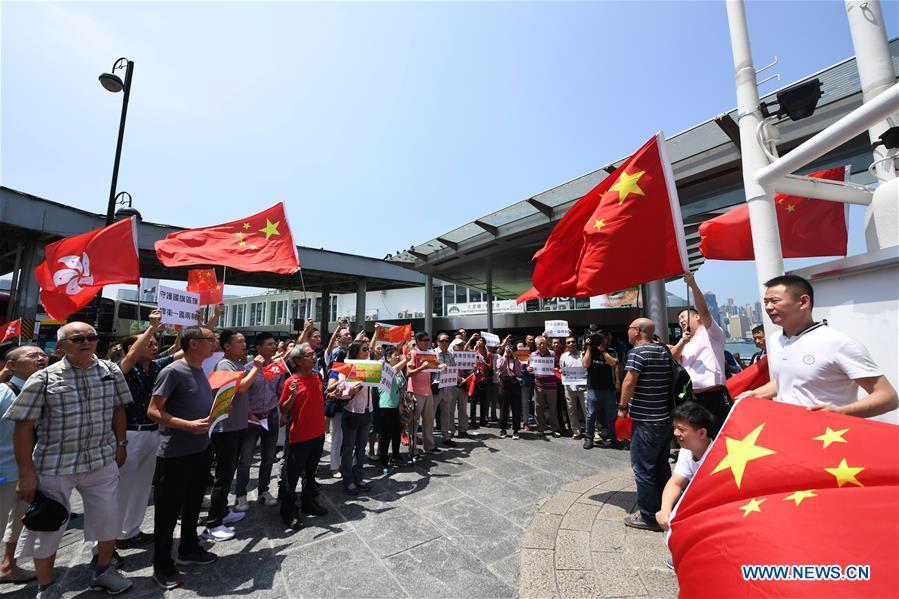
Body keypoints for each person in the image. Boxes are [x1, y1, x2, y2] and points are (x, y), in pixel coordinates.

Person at [5, 323, 132, 597]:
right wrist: (27, 473)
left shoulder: (111, 372)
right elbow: (23, 427)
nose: (86, 342)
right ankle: (47, 587)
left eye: (91, 337)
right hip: (55, 465)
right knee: (47, 527)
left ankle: (103, 571)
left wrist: (121, 444)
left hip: (101, 459)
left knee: (108, 519)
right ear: (61, 346)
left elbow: (119, 409)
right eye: (78, 338)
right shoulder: (44, 378)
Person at [738, 275, 898, 418]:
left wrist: (840, 412)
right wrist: (755, 394)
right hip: (787, 433)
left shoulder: (837, 343)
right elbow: (788, 380)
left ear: (803, 302)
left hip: (828, 437)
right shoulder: (775, 340)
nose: (768, 307)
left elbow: (888, 397)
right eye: (766, 302)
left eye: (774, 301)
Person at [147, 326, 218, 589]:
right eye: (209, 339)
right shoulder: (172, 371)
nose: (214, 343)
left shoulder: (200, 370)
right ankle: (162, 564)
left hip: (200, 448)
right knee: (167, 511)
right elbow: (153, 411)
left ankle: (189, 547)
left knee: (193, 502)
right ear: (193, 344)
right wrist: (185, 425)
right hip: (175, 452)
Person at [114, 309, 178, 551]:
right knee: (123, 486)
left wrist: (196, 325)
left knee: (142, 486)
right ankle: (112, 536)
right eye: (148, 343)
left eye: (154, 343)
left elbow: (181, 351)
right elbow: (130, 356)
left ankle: (132, 530)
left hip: (153, 432)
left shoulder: (156, 366)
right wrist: (151, 327)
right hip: (130, 434)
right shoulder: (125, 369)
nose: (153, 346)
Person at [203, 330, 264, 541]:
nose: (244, 345)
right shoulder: (224, 365)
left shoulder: (237, 364)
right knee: (223, 476)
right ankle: (213, 523)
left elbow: (239, 399)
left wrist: (249, 414)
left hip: (237, 425)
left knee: (229, 473)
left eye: (245, 341)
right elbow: (241, 388)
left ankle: (223, 512)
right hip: (225, 429)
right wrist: (256, 368)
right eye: (240, 342)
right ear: (227, 346)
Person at [619, 318, 671, 532]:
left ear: (637, 332)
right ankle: (666, 508)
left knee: (643, 468)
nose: (628, 332)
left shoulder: (638, 353)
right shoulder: (663, 351)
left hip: (645, 419)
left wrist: (622, 407)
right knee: (661, 465)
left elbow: (629, 381)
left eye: (629, 329)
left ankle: (649, 516)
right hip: (665, 418)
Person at [0, 345, 45, 585]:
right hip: (4, 473)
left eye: (42, 355)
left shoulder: (46, 389)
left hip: (30, 472)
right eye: (32, 355)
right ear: (11, 365)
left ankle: (9, 565)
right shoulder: (3, 393)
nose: (40, 358)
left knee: (18, 522)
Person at [669, 273, 730, 427]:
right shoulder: (685, 341)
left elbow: (704, 311)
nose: (681, 321)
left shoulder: (711, 332)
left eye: (684, 316)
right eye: (679, 320)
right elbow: (672, 356)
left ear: (697, 318)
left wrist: (692, 285)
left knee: (714, 433)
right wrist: (683, 341)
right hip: (689, 397)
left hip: (712, 394)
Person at [278, 343, 327, 530]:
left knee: (310, 473)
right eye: (308, 355)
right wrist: (291, 396)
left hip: (317, 434)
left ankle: (309, 502)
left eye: (313, 353)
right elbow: (283, 409)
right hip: (299, 437)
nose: (313, 356)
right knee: (292, 476)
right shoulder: (291, 382)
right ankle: (289, 511)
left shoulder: (316, 377)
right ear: (298, 361)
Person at [234, 333, 284, 511]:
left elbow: (280, 392)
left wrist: (283, 412)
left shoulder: (277, 368)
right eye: (269, 344)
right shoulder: (247, 369)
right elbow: (241, 394)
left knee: (269, 457)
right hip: (252, 419)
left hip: (271, 416)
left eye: (274, 344)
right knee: (246, 459)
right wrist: (248, 413)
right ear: (259, 348)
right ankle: (240, 494)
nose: (273, 347)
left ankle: (264, 490)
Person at [655, 402, 717, 532]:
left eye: (681, 429)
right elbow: (676, 483)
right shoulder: (687, 450)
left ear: (702, 433)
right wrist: (665, 509)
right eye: (674, 427)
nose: (676, 433)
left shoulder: (718, 457)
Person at [340, 341, 374, 494]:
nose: (367, 352)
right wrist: (350, 391)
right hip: (352, 412)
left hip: (367, 411)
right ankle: (348, 481)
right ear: (355, 352)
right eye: (364, 350)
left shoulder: (372, 367)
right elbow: (340, 391)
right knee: (348, 449)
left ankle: (358, 477)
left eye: (368, 349)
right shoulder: (346, 368)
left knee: (361, 449)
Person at [582, 330, 619, 449]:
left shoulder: (611, 351)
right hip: (593, 388)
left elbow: (613, 363)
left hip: (609, 388)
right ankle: (589, 439)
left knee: (611, 415)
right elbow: (586, 364)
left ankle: (614, 439)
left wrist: (603, 351)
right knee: (591, 414)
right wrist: (588, 348)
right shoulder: (590, 352)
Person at [377, 347, 408, 473]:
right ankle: (383, 461)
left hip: (398, 406)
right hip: (387, 405)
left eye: (398, 355)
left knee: (396, 433)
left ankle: (396, 455)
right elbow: (392, 373)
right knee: (385, 436)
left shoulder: (400, 371)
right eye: (395, 355)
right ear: (387, 358)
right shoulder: (384, 368)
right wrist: (406, 360)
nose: (397, 357)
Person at [408, 332, 439, 453]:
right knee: (414, 423)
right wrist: (421, 368)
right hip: (415, 391)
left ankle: (429, 446)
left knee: (429, 420)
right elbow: (409, 373)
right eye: (424, 340)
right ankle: (413, 449)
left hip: (428, 391)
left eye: (428, 339)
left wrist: (441, 366)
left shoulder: (430, 354)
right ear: (418, 341)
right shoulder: (413, 353)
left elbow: (435, 366)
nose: (427, 342)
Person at [529, 336, 561, 437]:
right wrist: (529, 369)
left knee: (553, 408)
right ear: (536, 345)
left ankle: (555, 429)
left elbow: (558, 367)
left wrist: (556, 369)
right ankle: (540, 428)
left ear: (546, 343)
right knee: (538, 408)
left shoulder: (552, 353)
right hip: (538, 385)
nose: (542, 345)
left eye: (543, 343)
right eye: (539, 344)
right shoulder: (533, 355)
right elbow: (529, 368)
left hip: (551, 385)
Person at [435, 332, 461, 447]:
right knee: (430, 415)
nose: (445, 343)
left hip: (448, 387)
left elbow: (453, 369)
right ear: (437, 342)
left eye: (446, 341)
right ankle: (430, 439)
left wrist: (459, 378)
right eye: (442, 341)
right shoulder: (433, 353)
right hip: (436, 387)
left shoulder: (451, 355)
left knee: (446, 413)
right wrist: (438, 367)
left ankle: (446, 437)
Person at [559, 337, 587, 440]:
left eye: (573, 342)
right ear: (566, 345)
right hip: (569, 388)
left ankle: (591, 431)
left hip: (583, 388)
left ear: (576, 343)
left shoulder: (583, 354)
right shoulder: (563, 356)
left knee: (588, 411)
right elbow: (562, 370)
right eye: (568, 342)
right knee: (571, 411)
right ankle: (576, 432)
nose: (571, 344)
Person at [495, 342, 522, 439]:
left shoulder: (516, 360)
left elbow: (519, 372)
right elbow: (499, 368)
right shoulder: (500, 359)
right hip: (504, 383)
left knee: (516, 408)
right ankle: (503, 429)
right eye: (507, 348)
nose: (509, 350)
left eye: (510, 349)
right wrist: (505, 355)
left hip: (514, 383)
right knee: (504, 407)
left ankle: (516, 430)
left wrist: (515, 358)